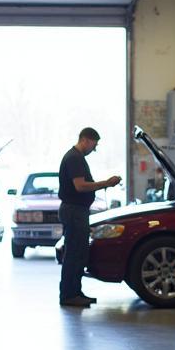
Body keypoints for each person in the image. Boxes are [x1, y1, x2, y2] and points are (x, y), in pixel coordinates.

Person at [58, 127, 122, 308]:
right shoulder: (74, 158)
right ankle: (69, 295)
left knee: (78, 252)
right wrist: (106, 183)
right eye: (95, 144)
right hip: (74, 211)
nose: (95, 149)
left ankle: (75, 292)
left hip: (76, 211)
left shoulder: (76, 157)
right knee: (74, 253)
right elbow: (80, 186)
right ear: (86, 140)